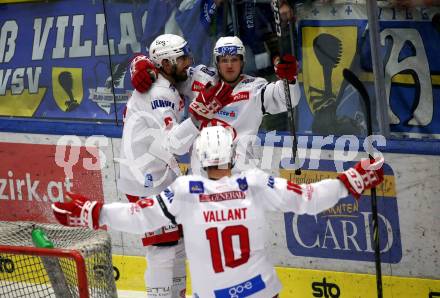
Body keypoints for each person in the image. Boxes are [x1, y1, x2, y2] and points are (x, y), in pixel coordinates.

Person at [52, 126, 384, 298]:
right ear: (232, 155)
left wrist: (96, 212)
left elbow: (140, 216)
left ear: (199, 156)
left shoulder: (185, 192)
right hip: (262, 289)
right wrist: (352, 179)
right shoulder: (254, 184)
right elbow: (310, 198)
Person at [118, 34, 231, 298]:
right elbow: (174, 145)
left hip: (159, 175)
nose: (188, 62)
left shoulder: (168, 80)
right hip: (144, 180)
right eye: (181, 58)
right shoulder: (159, 94)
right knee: (162, 247)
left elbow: (205, 76)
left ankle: (177, 293)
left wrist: (140, 60)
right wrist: (197, 118)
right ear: (166, 64)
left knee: (178, 243)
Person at [132, 35, 301, 170]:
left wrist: (290, 79)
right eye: (224, 60)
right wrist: (142, 66)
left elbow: (288, 99)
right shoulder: (200, 78)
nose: (229, 66)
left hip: (240, 174)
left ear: (242, 62)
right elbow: (168, 67)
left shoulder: (256, 89)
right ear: (216, 62)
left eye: (234, 59)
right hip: (202, 174)